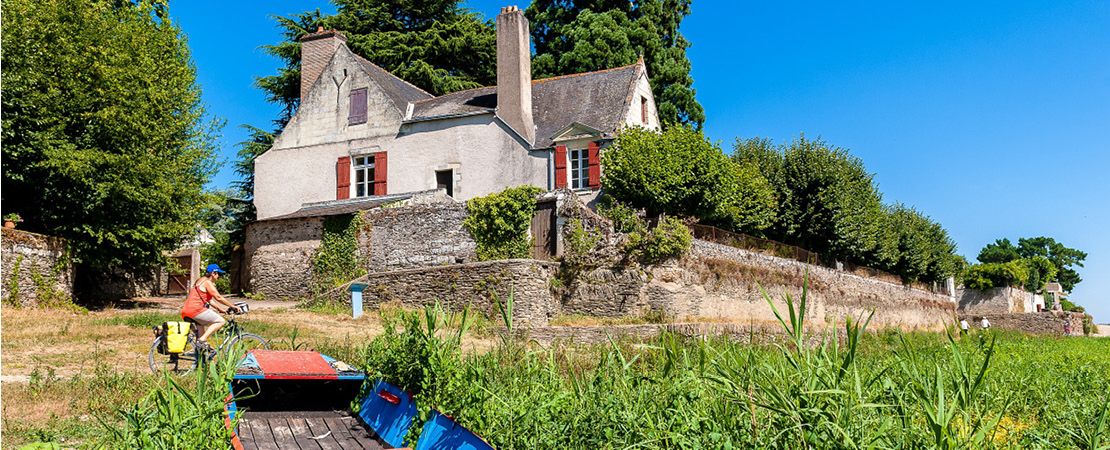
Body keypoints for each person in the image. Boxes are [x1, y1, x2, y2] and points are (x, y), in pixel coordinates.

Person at [180, 264, 239, 350]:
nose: (219, 276)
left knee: (201, 339)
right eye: (218, 274)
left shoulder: (200, 281)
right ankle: (202, 339)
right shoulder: (207, 282)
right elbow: (218, 297)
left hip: (186, 311)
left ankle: (200, 354)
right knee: (220, 321)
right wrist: (233, 306)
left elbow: (209, 300)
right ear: (213, 273)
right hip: (196, 310)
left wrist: (220, 309)